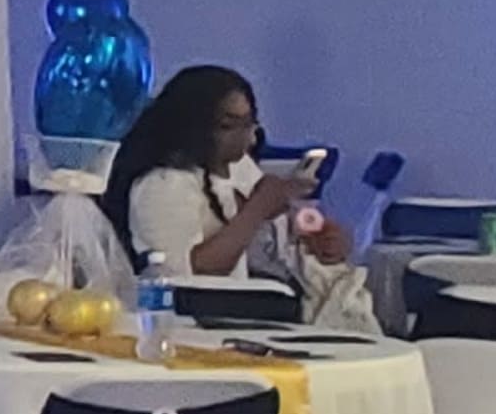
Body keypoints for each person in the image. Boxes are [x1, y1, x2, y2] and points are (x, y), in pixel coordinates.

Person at [99, 62, 369, 319]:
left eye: (249, 124)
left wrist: (323, 240)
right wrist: (257, 209)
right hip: (189, 319)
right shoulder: (162, 184)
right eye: (228, 126)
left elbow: (279, 243)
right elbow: (190, 275)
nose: (246, 137)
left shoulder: (239, 166)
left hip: (244, 310)